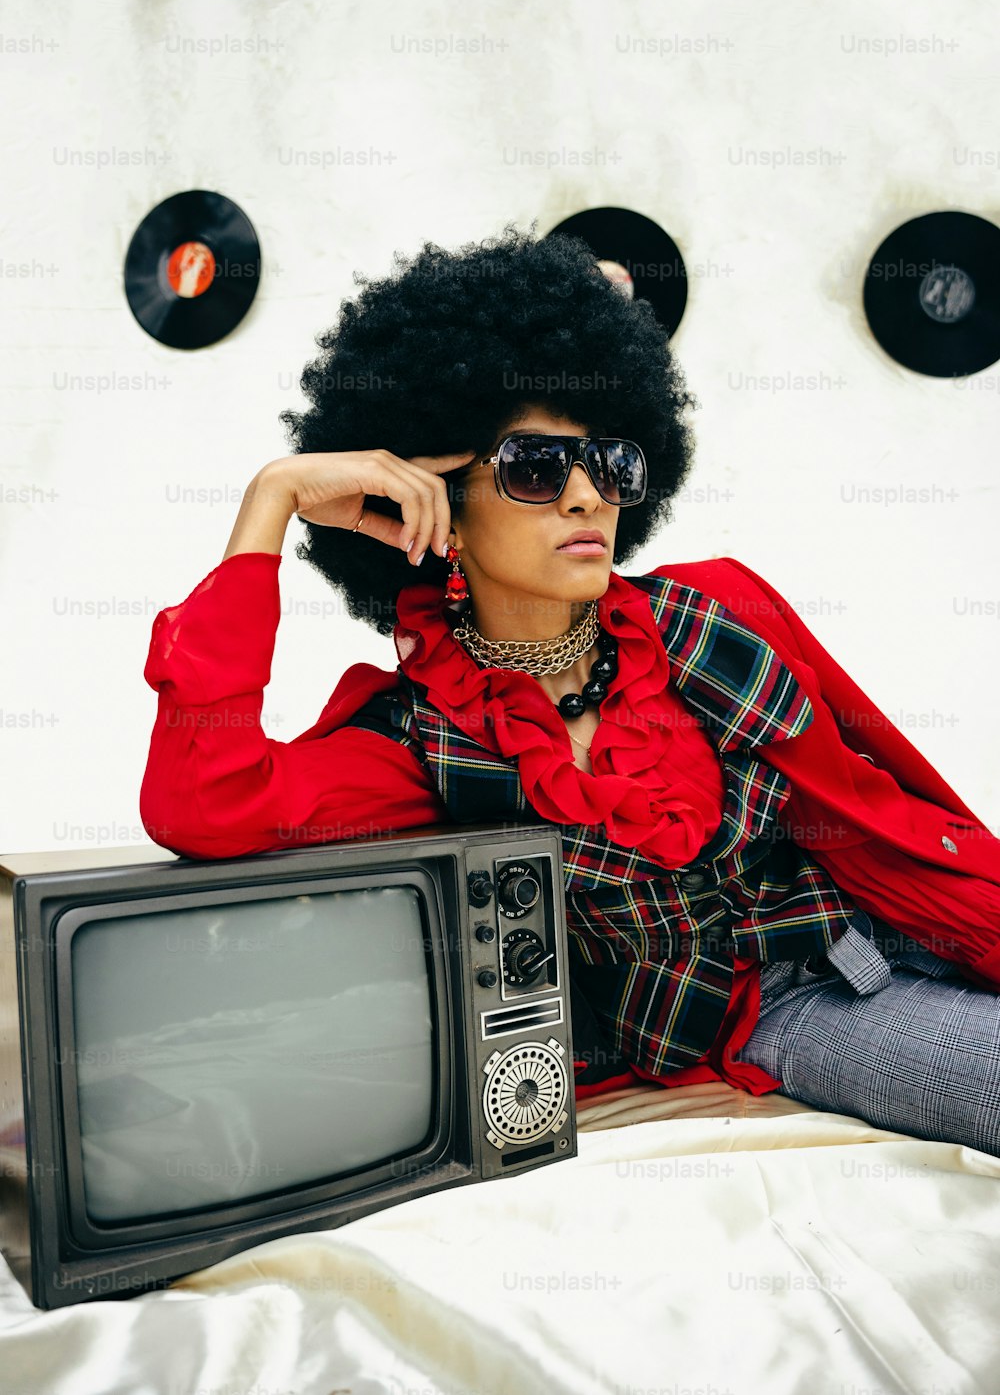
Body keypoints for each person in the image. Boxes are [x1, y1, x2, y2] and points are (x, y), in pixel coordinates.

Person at [141, 223, 1000, 1156]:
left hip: (923, 918)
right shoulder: (423, 742)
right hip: (789, 1008)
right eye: (536, 467)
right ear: (438, 510)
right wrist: (269, 501)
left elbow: (890, 790)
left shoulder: (714, 607)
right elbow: (206, 804)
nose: (588, 495)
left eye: (610, 463)